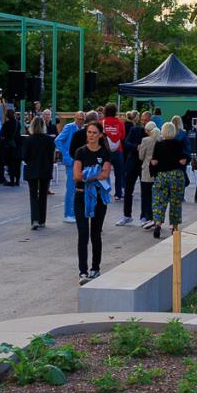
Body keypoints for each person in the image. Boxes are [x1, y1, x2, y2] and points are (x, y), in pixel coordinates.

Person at [69, 118, 116, 282]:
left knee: (95, 233)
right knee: (83, 233)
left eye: (95, 133)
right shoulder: (80, 152)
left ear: (100, 135)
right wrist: (94, 173)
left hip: (98, 197)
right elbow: (76, 176)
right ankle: (83, 271)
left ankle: (95, 267)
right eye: (89, 132)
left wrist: (88, 174)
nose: (91, 135)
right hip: (81, 196)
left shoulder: (104, 153)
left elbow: (105, 174)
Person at [146, 120, 188, 240]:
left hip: (162, 176)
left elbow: (154, 162)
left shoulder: (159, 144)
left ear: (163, 132)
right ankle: (174, 227)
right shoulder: (178, 144)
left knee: (159, 200)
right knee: (176, 201)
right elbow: (183, 161)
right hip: (176, 176)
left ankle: (158, 224)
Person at [22, 110, 58, 229]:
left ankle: (35, 219)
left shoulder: (29, 140)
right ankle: (42, 219)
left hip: (32, 169)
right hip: (45, 169)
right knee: (43, 195)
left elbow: (24, 156)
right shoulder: (49, 140)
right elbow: (51, 155)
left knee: (33, 194)